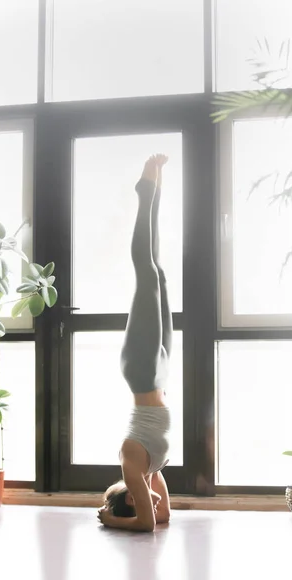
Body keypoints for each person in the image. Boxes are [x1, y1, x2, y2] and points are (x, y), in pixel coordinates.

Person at [97, 154, 172, 532]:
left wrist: (109, 519)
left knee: (146, 273)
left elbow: (145, 525)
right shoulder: (152, 466)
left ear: (130, 494)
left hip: (141, 370)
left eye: (138, 498)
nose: (148, 498)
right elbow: (162, 518)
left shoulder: (132, 463)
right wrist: (133, 509)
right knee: (157, 272)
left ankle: (145, 192)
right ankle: (155, 191)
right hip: (158, 373)